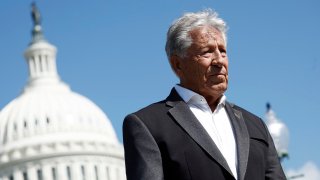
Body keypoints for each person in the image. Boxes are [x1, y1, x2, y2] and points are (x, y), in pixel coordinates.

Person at [123, 9, 286, 180]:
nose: (219, 60)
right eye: (207, 52)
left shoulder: (256, 125)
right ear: (177, 64)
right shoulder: (148, 125)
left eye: (223, 51)